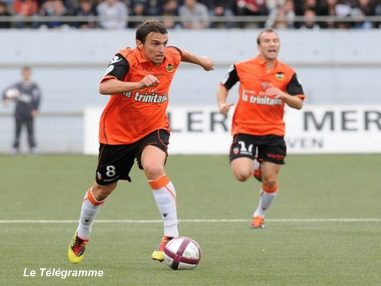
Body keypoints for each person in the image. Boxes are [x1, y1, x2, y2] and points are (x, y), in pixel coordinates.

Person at [67, 19, 214, 264]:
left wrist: (202, 62)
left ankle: (170, 235)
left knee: (154, 167)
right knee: (103, 189)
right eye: (155, 44)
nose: (161, 49)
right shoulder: (126, 58)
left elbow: (179, 53)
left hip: (153, 128)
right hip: (117, 134)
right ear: (139, 44)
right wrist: (138, 83)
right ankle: (82, 234)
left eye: (164, 43)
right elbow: (105, 87)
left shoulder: (170, 56)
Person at [216, 29, 305, 229]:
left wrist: (283, 96)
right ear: (259, 46)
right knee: (241, 174)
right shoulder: (241, 67)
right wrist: (221, 103)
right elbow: (223, 85)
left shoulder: (287, 73)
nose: (272, 44)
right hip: (245, 130)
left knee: (271, 181)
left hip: (273, 133)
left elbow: (298, 103)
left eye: (275, 40)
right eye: (267, 41)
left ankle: (260, 214)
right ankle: (256, 165)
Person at [2, 66, 42, 154]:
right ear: (22, 73)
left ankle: (33, 148)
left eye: (27, 72)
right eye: (24, 72)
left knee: (30, 132)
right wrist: (5, 99)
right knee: (17, 132)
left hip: (29, 112)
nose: (26, 74)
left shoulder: (34, 86)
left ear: (30, 73)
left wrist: (35, 109)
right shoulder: (17, 86)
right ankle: (15, 148)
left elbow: (37, 98)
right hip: (19, 112)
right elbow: (6, 93)